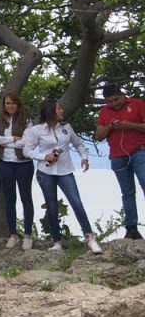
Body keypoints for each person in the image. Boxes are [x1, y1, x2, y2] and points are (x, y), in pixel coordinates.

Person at [23, 99, 103, 254]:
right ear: (51, 111)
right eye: (59, 108)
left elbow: (78, 143)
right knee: (52, 207)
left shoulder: (66, 127)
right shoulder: (37, 130)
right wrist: (44, 156)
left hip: (65, 171)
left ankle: (90, 237)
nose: (62, 111)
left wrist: (84, 157)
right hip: (45, 172)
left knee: (76, 202)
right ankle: (57, 241)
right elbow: (27, 151)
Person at [95, 84, 145, 240]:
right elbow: (99, 136)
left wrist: (130, 125)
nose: (114, 103)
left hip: (139, 152)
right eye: (109, 101)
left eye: (116, 99)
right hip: (117, 156)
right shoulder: (104, 111)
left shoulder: (137, 104)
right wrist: (110, 126)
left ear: (122, 95)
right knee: (127, 192)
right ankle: (131, 229)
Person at [0, 90, 35, 250]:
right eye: (8, 103)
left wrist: (5, 143)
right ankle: (13, 234)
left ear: (18, 104)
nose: (10, 106)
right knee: (10, 199)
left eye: (13, 103)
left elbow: (28, 142)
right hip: (5, 163)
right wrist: (12, 139)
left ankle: (28, 235)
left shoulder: (27, 120)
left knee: (26, 198)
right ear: (4, 104)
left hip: (24, 163)